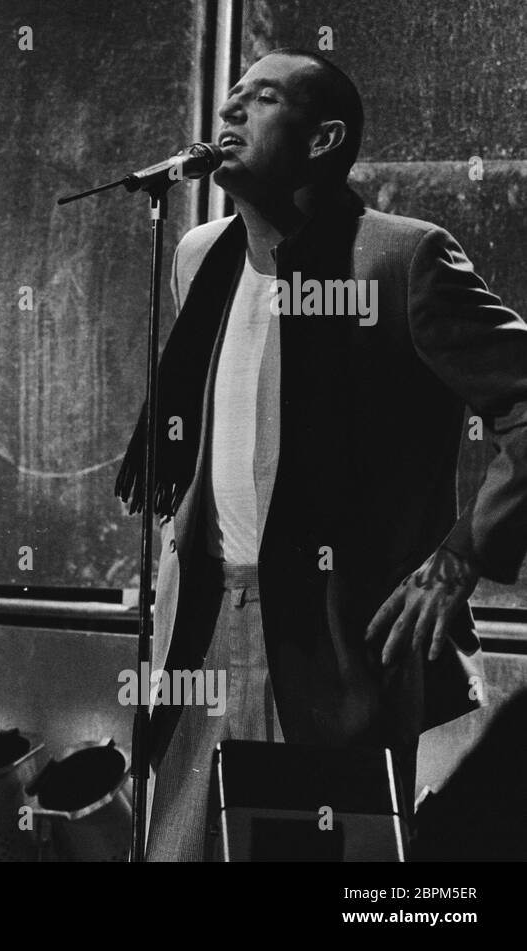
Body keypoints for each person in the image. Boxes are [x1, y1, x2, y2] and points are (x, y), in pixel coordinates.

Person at [114, 48, 527, 861]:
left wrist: (457, 558)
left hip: (332, 640)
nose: (229, 114)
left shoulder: (403, 258)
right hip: (199, 623)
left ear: (322, 139)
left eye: (261, 100)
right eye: (230, 98)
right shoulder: (200, 255)